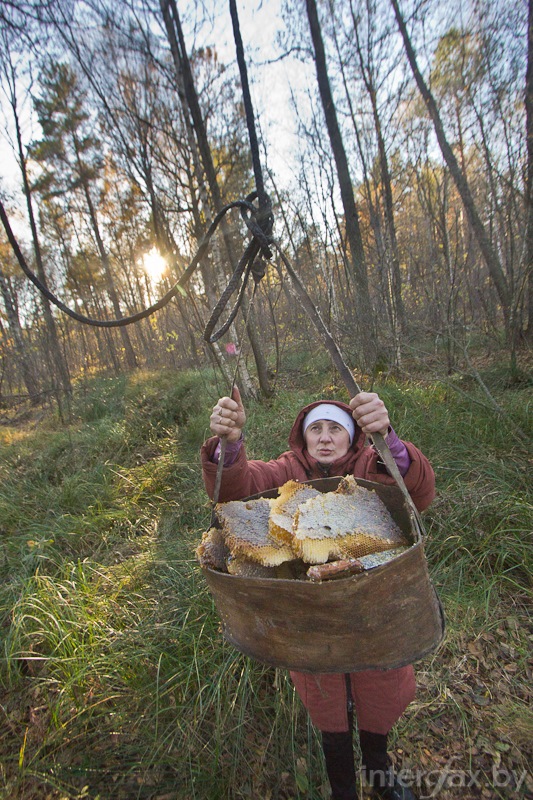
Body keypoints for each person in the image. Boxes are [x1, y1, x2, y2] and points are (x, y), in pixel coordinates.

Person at [201, 387, 436, 800]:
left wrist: (388, 437)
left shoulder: (371, 463)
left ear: (352, 435)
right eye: (316, 430)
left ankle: (379, 771)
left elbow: (416, 491)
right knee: (326, 702)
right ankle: (343, 787)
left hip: (374, 617)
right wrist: (229, 445)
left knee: (379, 695)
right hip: (309, 623)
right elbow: (238, 488)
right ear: (304, 438)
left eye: (335, 429)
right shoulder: (286, 472)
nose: (325, 437)